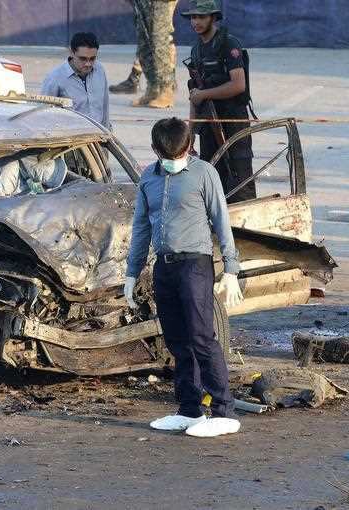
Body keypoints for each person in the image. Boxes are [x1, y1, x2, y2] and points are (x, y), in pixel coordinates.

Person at [124, 117, 244, 438]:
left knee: (202, 337)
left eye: (178, 155)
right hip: (164, 266)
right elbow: (141, 228)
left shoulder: (204, 173)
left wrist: (231, 269)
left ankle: (223, 409)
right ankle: (190, 409)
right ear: (154, 150)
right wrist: (131, 273)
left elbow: (222, 221)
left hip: (195, 264)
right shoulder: (148, 177)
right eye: (166, 156)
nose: (173, 161)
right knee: (177, 340)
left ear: (189, 148)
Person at [184, 0, 255, 202]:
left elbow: (238, 84)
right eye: (193, 17)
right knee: (211, 178)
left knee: (239, 178)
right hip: (209, 124)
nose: (195, 21)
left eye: (201, 17)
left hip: (233, 121)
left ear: (213, 18)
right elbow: (194, 94)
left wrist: (205, 94)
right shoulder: (196, 50)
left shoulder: (228, 44)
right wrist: (189, 136)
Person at [41, 32, 110, 129]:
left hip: (98, 137)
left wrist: (107, 134)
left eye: (92, 59)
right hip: (71, 140)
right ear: (72, 53)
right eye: (83, 59)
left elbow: (105, 105)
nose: (88, 64)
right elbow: (44, 115)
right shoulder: (55, 78)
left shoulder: (99, 70)